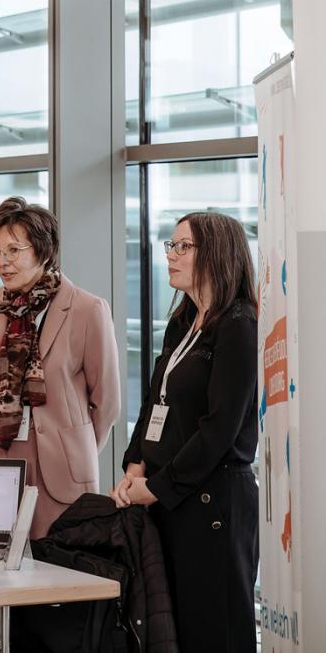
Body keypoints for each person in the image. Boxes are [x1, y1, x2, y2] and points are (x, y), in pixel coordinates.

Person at [111, 211, 259, 653]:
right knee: (170, 633)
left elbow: (218, 430)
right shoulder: (183, 321)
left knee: (213, 632)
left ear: (215, 253)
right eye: (170, 246)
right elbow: (155, 400)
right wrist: (135, 466)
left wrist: (156, 487)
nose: (171, 256)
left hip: (214, 501)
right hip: (167, 501)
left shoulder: (238, 326)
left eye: (182, 247)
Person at [0, 196, 121, 539]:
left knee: (57, 571)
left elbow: (107, 403)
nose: (3, 263)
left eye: (13, 251)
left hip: (59, 465)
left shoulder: (87, 309)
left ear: (43, 250)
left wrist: (73, 445)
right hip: (0, 453)